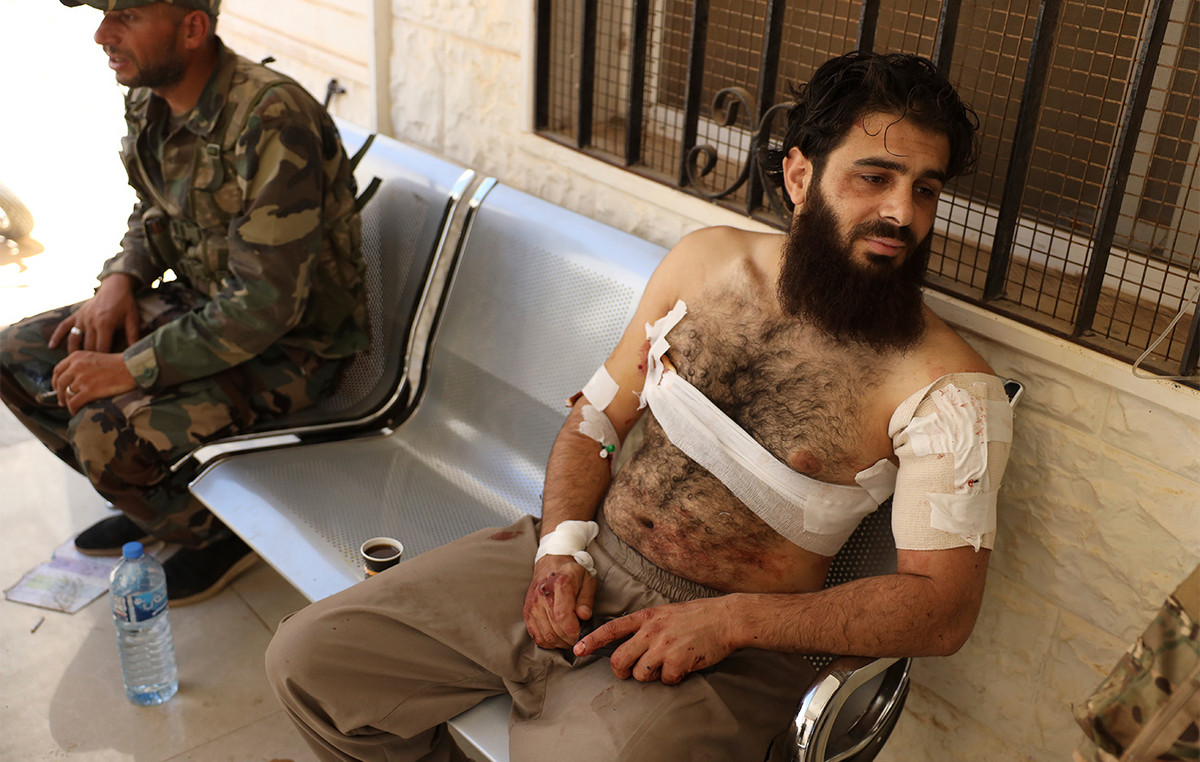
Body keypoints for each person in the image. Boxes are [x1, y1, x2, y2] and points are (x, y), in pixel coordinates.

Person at [265, 51, 1013, 761]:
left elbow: (942, 610)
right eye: (874, 177)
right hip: (580, 557)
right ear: (798, 175)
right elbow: (595, 422)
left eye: (926, 189)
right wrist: (559, 550)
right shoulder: (706, 262)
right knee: (311, 662)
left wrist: (733, 620)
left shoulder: (949, 389)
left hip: (731, 647)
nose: (902, 213)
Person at [0, 0, 367, 605]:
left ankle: (217, 534)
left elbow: (265, 305)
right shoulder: (151, 96)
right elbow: (154, 210)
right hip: (202, 308)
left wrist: (129, 368)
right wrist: (121, 279)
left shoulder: (271, 117)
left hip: (293, 349)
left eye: (126, 17)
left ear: (193, 28)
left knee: (103, 432)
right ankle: (156, 506)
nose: (102, 35)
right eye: (102, 16)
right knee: (19, 354)